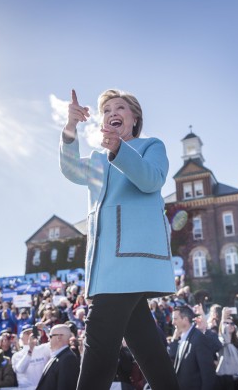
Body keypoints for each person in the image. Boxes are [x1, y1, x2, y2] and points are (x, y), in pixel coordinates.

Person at [60, 89, 179, 390]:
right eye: (107, 109)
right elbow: (72, 170)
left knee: (99, 337)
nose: (113, 112)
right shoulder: (98, 159)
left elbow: (151, 179)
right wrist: (70, 128)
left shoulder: (151, 145)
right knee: (147, 346)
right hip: (105, 261)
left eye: (120, 107)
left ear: (134, 117)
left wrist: (118, 150)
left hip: (134, 258)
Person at [167, 306, 216, 390]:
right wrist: (174, 339)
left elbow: (208, 373)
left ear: (185, 319)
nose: (172, 322)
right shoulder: (183, 337)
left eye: (175, 319)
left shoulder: (199, 338)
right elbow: (173, 356)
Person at [35, 324, 79, 390]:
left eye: (50, 336)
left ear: (59, 337)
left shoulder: (67, 359)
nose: (48, 339)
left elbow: (65, 387)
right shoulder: (61, 356)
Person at [216, 317, 238, 390]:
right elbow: (224, 340)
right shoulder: (220, 340)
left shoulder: (236, 343)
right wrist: (223, 316)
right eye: (226, 323)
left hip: (236, 379)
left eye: (232, 323)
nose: (230, 325)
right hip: (224, 380)